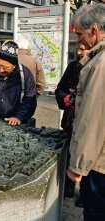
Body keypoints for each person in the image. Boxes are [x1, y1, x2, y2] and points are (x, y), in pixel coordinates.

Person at [66, 4, 105, 220]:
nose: (78, 39)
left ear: (95, 29)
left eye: (79, 33)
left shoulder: (101, 64)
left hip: (99, 164)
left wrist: (78, 165)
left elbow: (93, 119)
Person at [55, 43, 88, 207]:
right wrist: (65, 98)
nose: (80, 51)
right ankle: (68, 189)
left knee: (86, 157)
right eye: (79, 48)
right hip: (70, 120)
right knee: (69, 154)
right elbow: (59, 89)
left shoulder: (96, 65)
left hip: (88, 123)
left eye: (83, 48)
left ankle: (85, 195)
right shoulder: (73, 66)